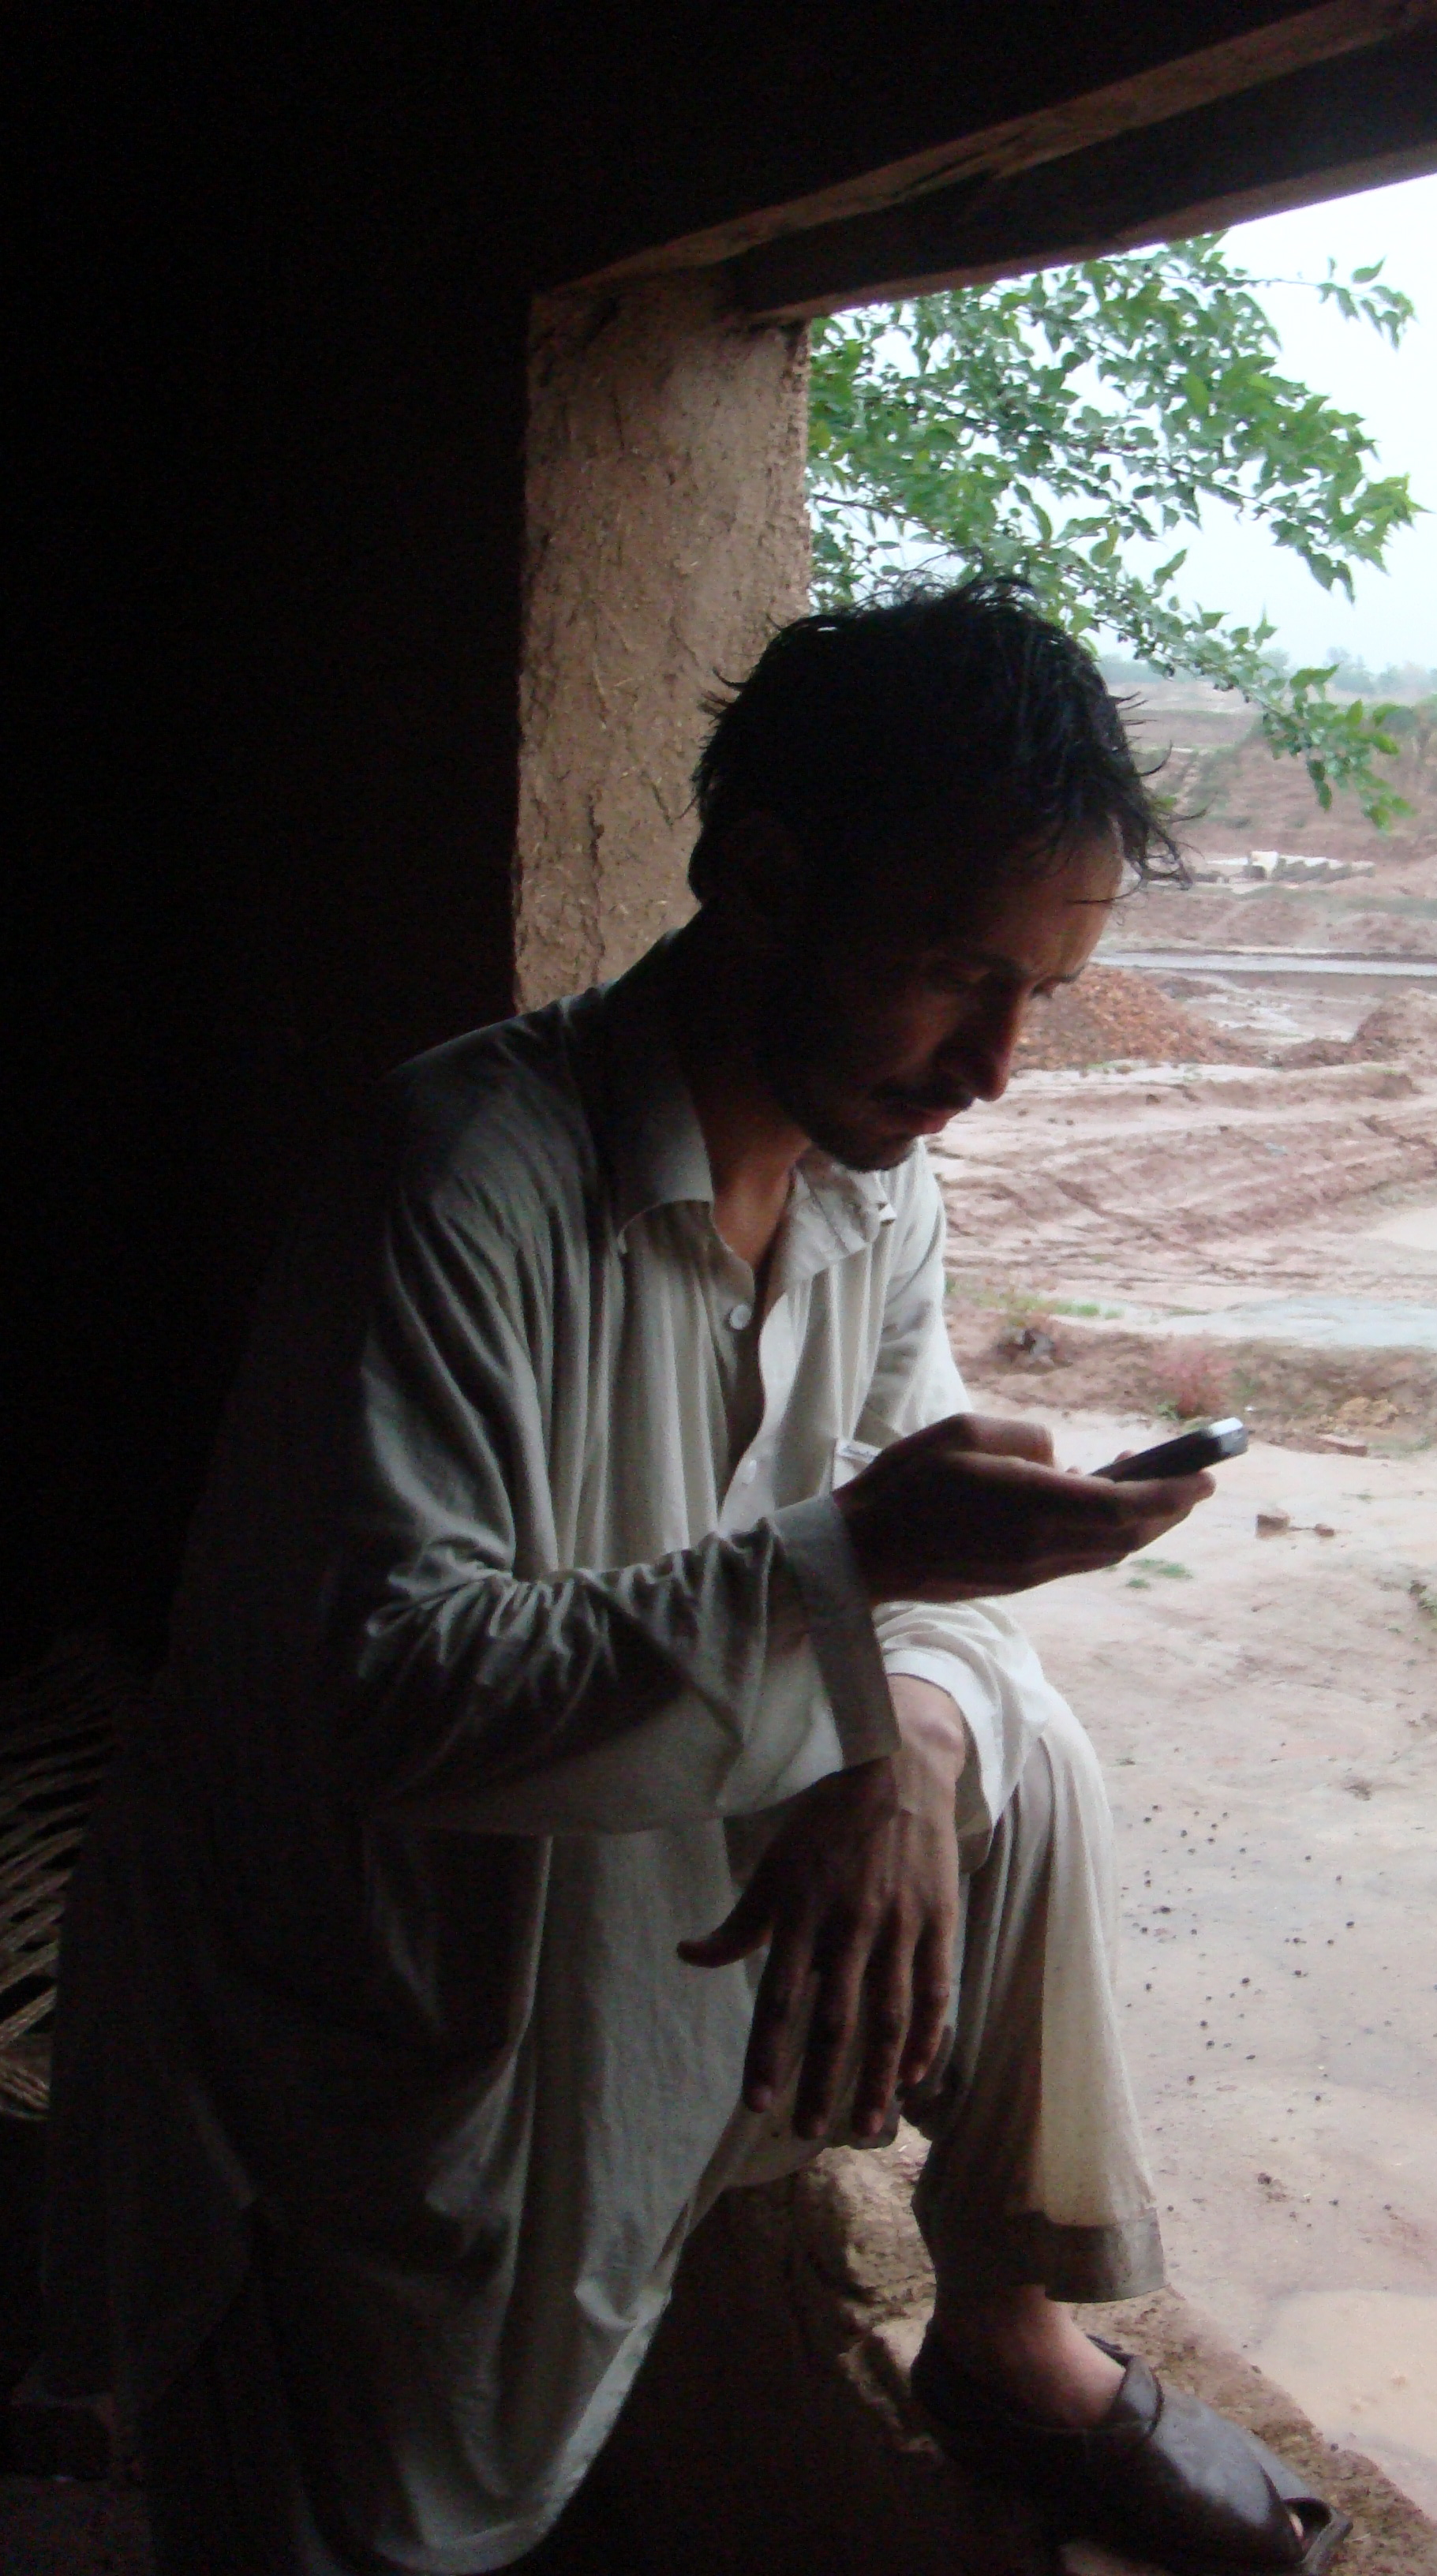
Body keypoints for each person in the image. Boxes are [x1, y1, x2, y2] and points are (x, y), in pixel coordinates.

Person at [45, 580, 1347, 2574]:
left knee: (1018, 1749)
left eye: (1041, 996)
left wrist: (902, 1741)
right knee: (353, 2526)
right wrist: (856, 1564)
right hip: (377, 2023)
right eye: (950, 973)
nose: (995, 1065)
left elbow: (897, 1583)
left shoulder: (873, 1189)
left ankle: (1003, 2328)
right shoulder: (464, 1179)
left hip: (637, 1942)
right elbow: (389, 1690)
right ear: (757, 879)